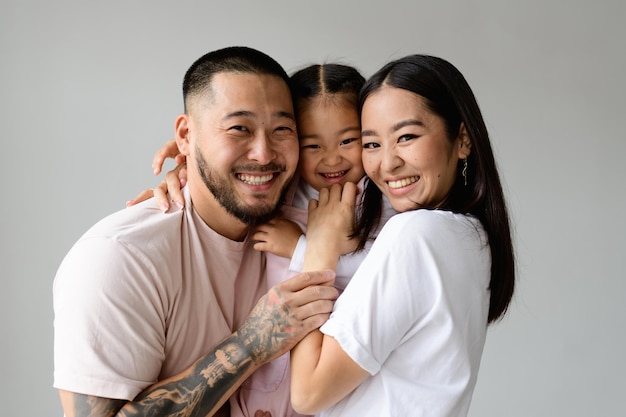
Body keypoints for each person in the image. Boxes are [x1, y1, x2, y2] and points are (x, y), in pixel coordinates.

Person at [53, 46, 339, 417]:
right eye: (239, 128)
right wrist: (251, 345)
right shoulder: (120, 256)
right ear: (186, 135)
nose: (264, 153)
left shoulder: (308, 211)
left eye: (282, 129)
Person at [133, 63, 397, 417]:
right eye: (312, 144)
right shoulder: (287, 187)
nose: (332, 158)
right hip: (262, 372)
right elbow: (235, 174)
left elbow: (385, 275)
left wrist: (302, 249)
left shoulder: (379, 197)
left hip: (330, 373)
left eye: (349, 141)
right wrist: (187, 165)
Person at [289, 54, 516, 417]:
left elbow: (307, 392)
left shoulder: (416, 234)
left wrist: (319, 246)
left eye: (406, 136)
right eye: (372, 144)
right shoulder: (472, 236)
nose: (387, 162)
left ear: (462, 140)